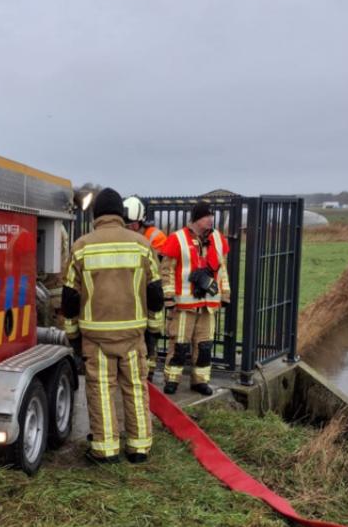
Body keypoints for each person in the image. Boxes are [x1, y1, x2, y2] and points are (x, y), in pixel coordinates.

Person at [62, 188, 166, 464]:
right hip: (133, 334)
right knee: (135, 388)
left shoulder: (81, 246)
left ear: (96, 215)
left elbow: (70, 298)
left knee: (100, 390)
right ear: (121, 214)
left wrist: (73, 335)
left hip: (96, 336)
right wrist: (153, 332)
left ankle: (106, 450)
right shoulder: (142, 245)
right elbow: (156, 293)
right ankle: (139, 448)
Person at [156, 202, 229, 396]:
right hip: (184, 306)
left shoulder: (218, 239)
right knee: (179, 345)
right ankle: (172, 380)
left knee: (204, 346)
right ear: (196, 219)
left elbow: (222, 269)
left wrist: (225, 294)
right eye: (206, 216)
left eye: (211, 216)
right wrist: (169, 297)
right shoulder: (177, 238)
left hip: (208, 304)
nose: (211, 219)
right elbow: (166, 271)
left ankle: (200, 381)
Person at [121, 195, 175, 377]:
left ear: (140, 221)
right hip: (131, 292)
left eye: (132, 224)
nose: (129, 228)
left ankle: (148, 372)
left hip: (150, 291)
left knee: (151, 334)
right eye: (127, 224)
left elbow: (160, 265)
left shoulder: (155, 236)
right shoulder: (125, 235)